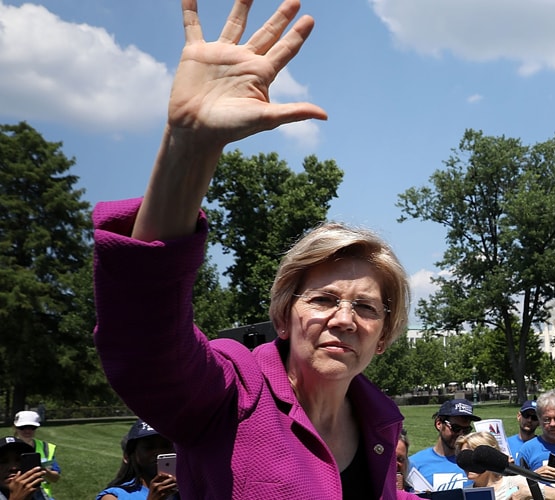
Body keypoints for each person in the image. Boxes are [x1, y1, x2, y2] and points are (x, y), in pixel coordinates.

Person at [92, 1, 419, 498]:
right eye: (324, 299)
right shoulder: (230, 391)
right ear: (284, 317)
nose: (346, 319)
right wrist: (189, 148)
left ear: (384, 336)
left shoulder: (378, 421)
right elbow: (144, 343)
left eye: (367, 307)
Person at [455, 431, 555, 500]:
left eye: (471, 456)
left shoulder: (516, 482)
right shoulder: (465, 494)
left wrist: (531, 492)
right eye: (463, 457)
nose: (467, 463)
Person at [408, 399, 481, 491]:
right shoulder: (414, 463)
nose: (461, 434)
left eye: (466, 430)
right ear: (439, 424)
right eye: (456, 428)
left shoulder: (475, 462)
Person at [96, 419, 178, 500]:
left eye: (166, 446)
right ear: (127, 456)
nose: (159, 452)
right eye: (149, 447)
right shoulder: (114, 497)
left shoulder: (186, 488)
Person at [13, 411, 59, 500]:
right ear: (15, 427)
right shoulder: (5, 448)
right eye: (22, 427)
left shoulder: (46, 448)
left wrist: (43, 470)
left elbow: (55, 478)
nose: (27, 430)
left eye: (32, 427)